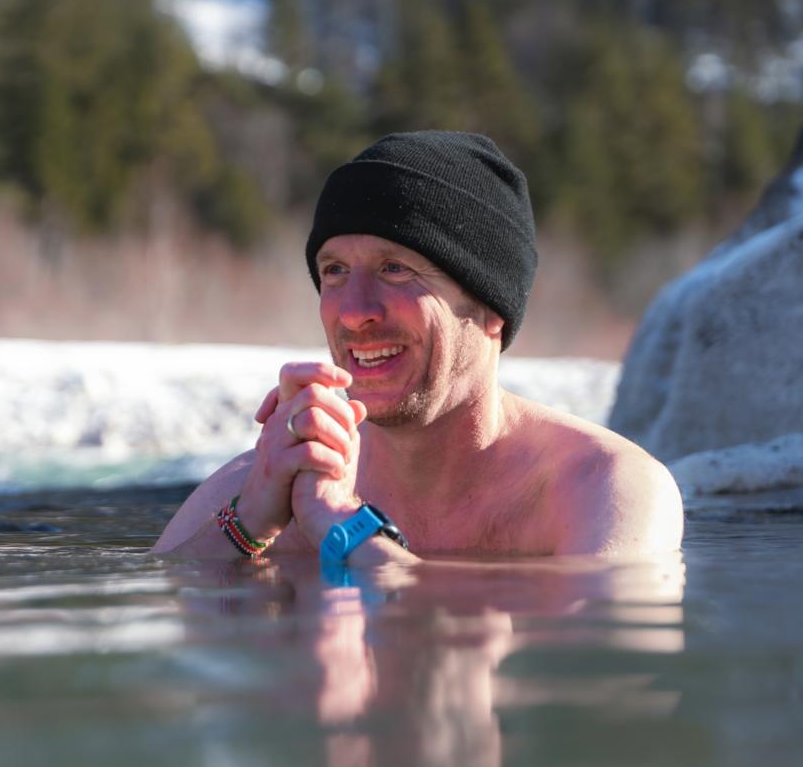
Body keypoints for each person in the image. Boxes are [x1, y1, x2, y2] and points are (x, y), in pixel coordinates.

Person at [153, 131, 683, 563]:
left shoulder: (604, 489)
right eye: (334, 271)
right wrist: (248, 525)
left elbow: (603, 657)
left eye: (395, 269)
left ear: (491, 307)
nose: (355, 311)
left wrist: (343, 524)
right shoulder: (274, 480)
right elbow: (153, 626)